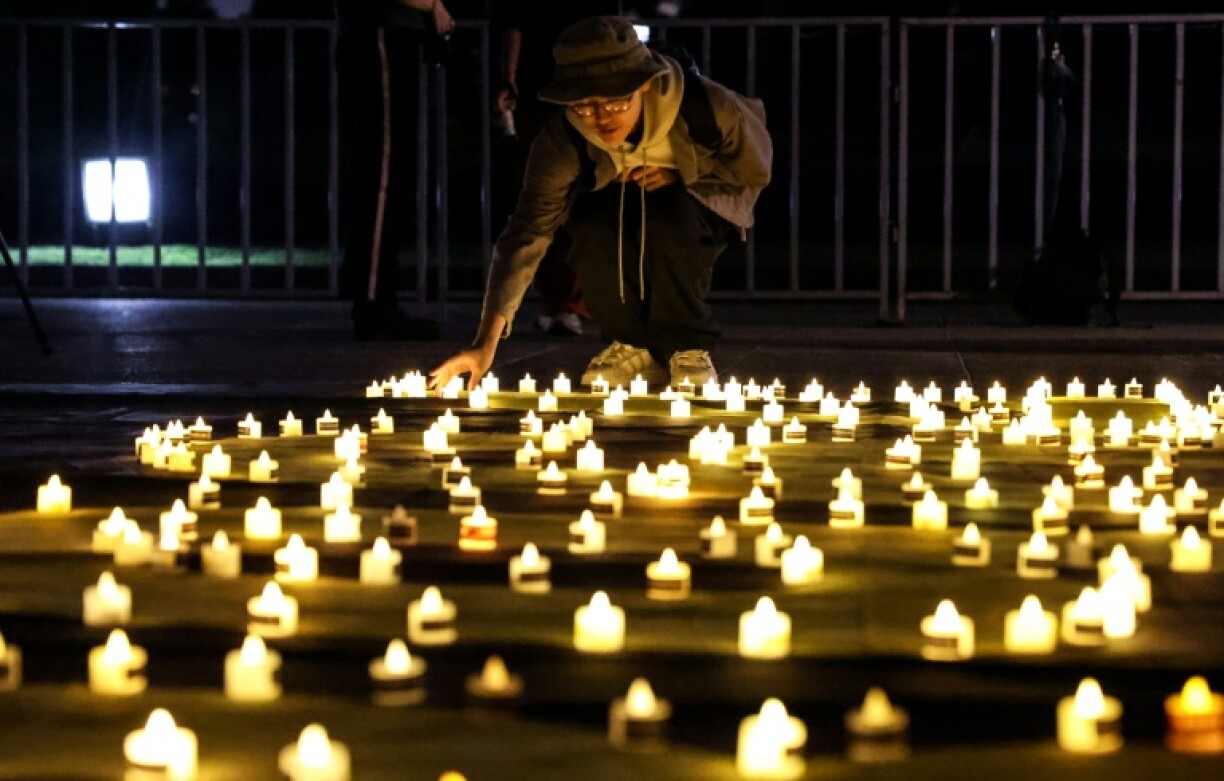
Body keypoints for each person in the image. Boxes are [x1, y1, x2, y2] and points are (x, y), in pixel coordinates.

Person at [431, 15, 771, 390]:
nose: (601, 118)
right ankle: (630, 342)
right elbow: (528, 231)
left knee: (668, 218)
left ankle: (685, 346)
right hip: (616, 203)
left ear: (644, 84)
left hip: (702, 201)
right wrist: (485, 343)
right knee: (590, 222)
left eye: (616, 101)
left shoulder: (707, 107)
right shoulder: (562, 140)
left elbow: (754, 172)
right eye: (585, 106)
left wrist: (683, 174)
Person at [492, 1, 629, 337]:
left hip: (556, 87)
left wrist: (508, 78)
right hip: (562, 87)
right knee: (561, 196)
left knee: (562, 196)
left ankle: (568, 300)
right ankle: (563, 301)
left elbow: (515, 23)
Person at [335, 0, 454, 341]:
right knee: (383, 172)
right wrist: (432, 5)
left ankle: (375, 296)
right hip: (379, 36)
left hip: (380, 36)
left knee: (385, 172)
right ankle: (373, 301)